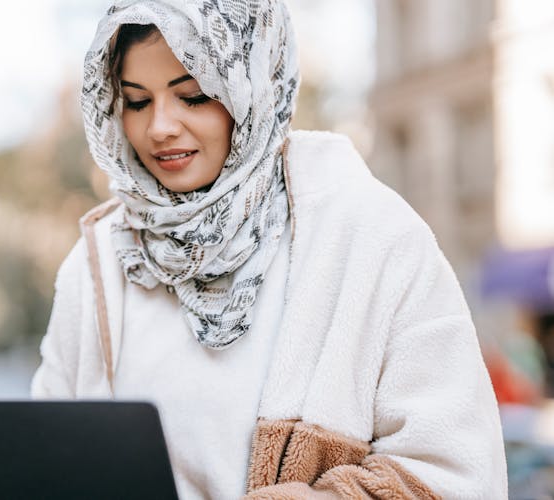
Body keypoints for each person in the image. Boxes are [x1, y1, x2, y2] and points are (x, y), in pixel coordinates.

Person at [32, 0, 508, 498]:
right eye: (136, 101)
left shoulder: (373, 236)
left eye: (193, 95)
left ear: (254, 86)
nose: (159, 127)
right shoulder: (97, 265)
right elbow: (41, 458)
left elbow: (458, 476)